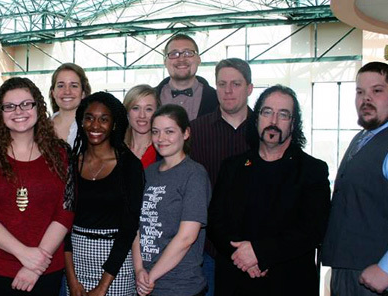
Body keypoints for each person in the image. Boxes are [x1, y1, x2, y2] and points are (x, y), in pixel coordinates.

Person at [207, 85, 331, 296]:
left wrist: (259, 253)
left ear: (293, 124)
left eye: (283, 115)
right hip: (235, 279)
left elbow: (312, 230)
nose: (273, 121)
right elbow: (215, 222)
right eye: (267, 112)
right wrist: (242, 257)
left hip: (288, 282)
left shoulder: (312, 170)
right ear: (257, 119)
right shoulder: (232, 166)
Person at [0, 77, 74, 295]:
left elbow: (65, 212)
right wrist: (24, 253)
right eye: (10, 106)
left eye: (26, 104)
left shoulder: (61, 153)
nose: (19, 111)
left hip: (44, 270)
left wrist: (36, 263)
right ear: (0, 112)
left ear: (38, 107)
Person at [322, 62, 388, 295]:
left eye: (377, 91)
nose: (366, 99)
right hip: (353, 272)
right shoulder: (365, 137)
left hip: (383, 278)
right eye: (360, 92)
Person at [65, 92, 144, 296]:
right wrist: (71, 279)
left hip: (115, 265)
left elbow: (129, 227)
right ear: (81, 122)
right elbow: (63, 223)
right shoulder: (71, 163)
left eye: (104, 119)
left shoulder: (130, 166)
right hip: (76, 261)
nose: (95, 125)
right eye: (89, 118)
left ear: (114, 124)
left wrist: (103, 287)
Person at [189, 58, 254, 296]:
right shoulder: (195, 131)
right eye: (222, 84)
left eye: (236, 84)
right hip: (205, 250)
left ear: (249, 88)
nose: (228, 91)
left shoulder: (265, 131)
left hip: (253, 250)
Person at [132, 104, 211, 296]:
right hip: (146, 283)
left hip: (180, 286)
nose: (161, 139)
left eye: (169, 131)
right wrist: (139, 269)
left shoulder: (194, 174)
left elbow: (187, 237)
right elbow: (136, 227)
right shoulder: (149, 173)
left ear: (185, 133)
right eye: (156, 132)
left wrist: (152, 276)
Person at [155, 34, 217, 121]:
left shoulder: (218, 100)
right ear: (165, 61)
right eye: (174, 54)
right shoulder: (150, 100)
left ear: (198, 59)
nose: (181, 59)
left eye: (188, 53)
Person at [49, 63, 92, 147]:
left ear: (83, 93)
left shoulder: (93, 128)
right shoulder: (40, 129)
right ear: (53, 92)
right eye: (61, 86)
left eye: (74, 86)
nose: (67, 91)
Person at [123, 84, 161, 168]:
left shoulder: (164, 150)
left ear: (157, 113)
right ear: (127, 112)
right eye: (136, 108)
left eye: (148, 109)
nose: (142, 115)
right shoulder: (114, 149)